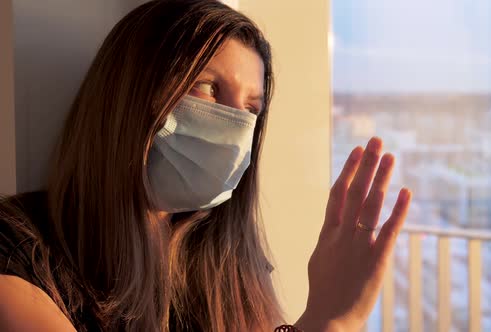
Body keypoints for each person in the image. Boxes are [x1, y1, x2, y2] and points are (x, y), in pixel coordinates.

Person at [0, 0, 412, 331]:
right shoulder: (19, 249)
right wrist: (325, 324)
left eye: (252, 108)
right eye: (209, 87)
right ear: (129, 91)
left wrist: (326, 318)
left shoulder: (227, 264)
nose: (236, 126)